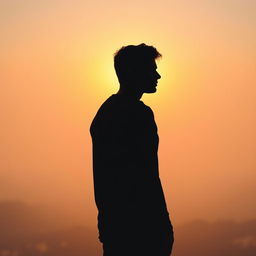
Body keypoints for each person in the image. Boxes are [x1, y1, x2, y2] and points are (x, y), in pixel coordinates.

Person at [90, 43, 174, 256]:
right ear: (134, 72)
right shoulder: (139, 114)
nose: (158, 76)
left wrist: (106, 221)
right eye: (151, 69)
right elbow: (148, 175)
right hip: (142, 227)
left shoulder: (106, 112)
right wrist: (162, 225)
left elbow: (103, 176)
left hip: (115, 225)